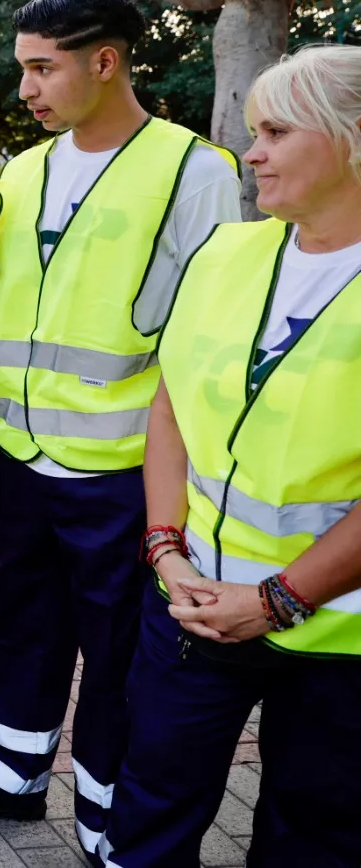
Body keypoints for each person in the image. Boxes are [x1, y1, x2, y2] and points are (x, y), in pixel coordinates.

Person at [0, 0, 241, 862]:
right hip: (23, 457)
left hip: (124, 470)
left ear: (104, 62)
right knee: (17, 622)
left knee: (117, 652)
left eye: (41, 68)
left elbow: (210, 335)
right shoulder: (22, 172)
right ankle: (11, 774)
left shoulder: (195, 171)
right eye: (22, 68)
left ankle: (106, 813)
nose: (25, 88)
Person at [100, 46, 361, 867]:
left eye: (277, 130)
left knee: (311, 840)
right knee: (147, 817)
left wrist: (279, 600)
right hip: (193, 607)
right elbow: (171, 407)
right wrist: (165, 550)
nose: (252, 152)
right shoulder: (227, 255)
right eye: (254, 131)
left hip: (340, 642)